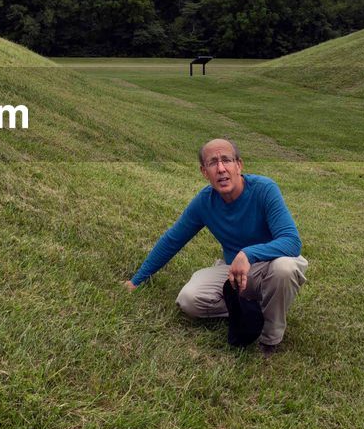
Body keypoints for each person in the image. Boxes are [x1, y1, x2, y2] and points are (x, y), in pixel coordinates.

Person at [123, 138, 307, 356]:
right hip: (235, 272)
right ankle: (250, 307)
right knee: (188, 300)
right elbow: (173, 240)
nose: (221, 169)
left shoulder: (264, 189)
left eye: (226, 160)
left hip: (271, 265)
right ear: (204, 171)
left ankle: (270, 338)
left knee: (284, 269)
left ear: (239, 165)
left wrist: (248, 253)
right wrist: (136, 281)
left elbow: (291, 241)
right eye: (213, 163)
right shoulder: (205, 202)